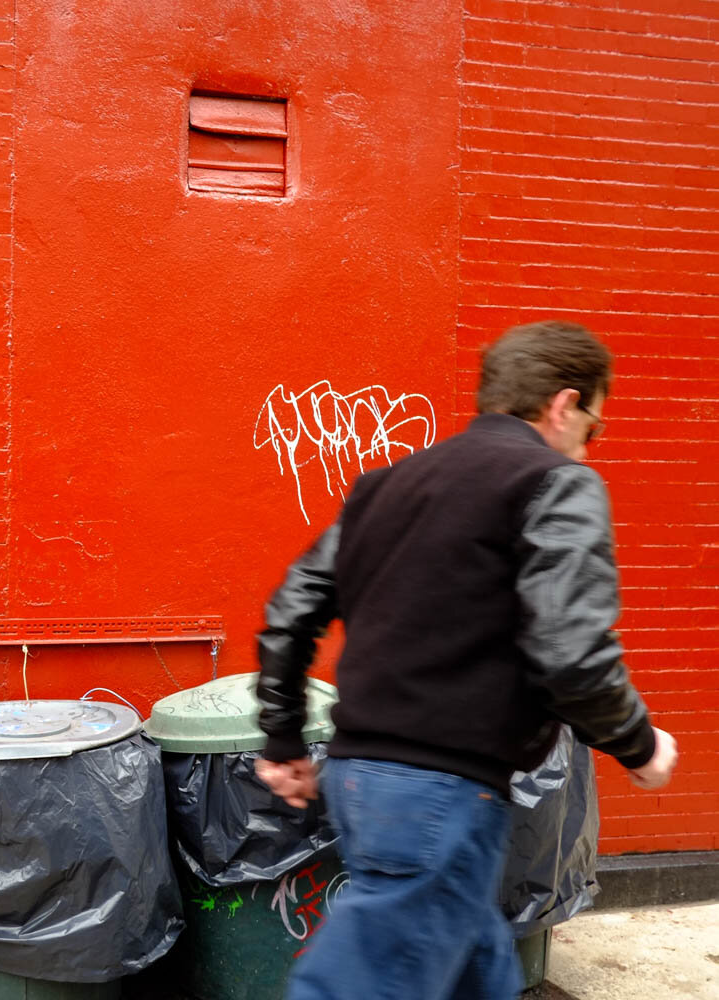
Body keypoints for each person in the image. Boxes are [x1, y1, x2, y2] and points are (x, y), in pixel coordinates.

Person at [253, 320, 679, 1000]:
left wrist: (282, 739)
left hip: (362, 779)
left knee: (477, 972)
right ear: (564, 405)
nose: (588, 446)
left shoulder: (385, 485)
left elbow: (291, 610)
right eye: (593, 425)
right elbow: (570, 652)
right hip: (439, 795)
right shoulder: (554, 482)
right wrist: (637, 743)